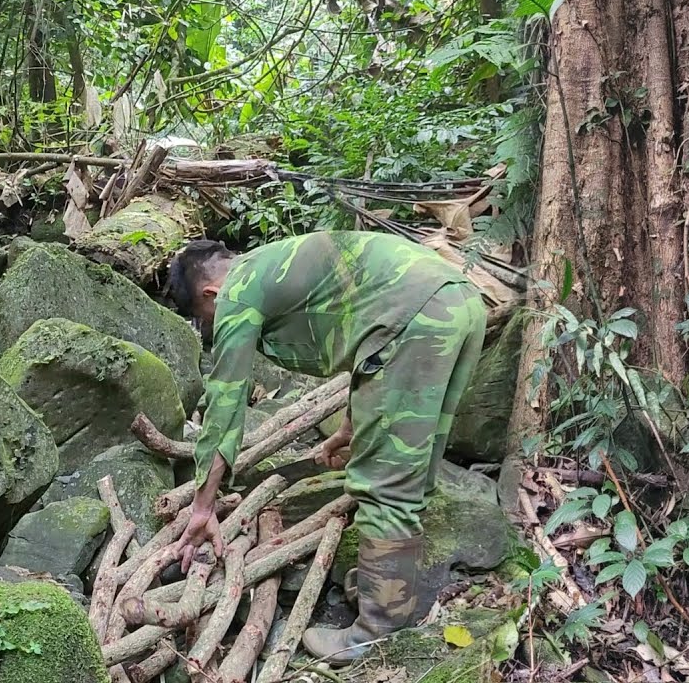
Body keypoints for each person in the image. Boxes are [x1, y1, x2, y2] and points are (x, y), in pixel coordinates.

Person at [165, 231, 487, 665]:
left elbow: (225, 406)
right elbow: (365, 334)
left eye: (205, 318)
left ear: (210, 294)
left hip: (417, 321)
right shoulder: (271, 264)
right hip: (458, 301)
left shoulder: (236, 293)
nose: (212, 327)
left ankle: (377, 631)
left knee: (384, 484)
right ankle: (388, 587)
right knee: (416, 464)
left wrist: (203, 506)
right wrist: (350, 427)